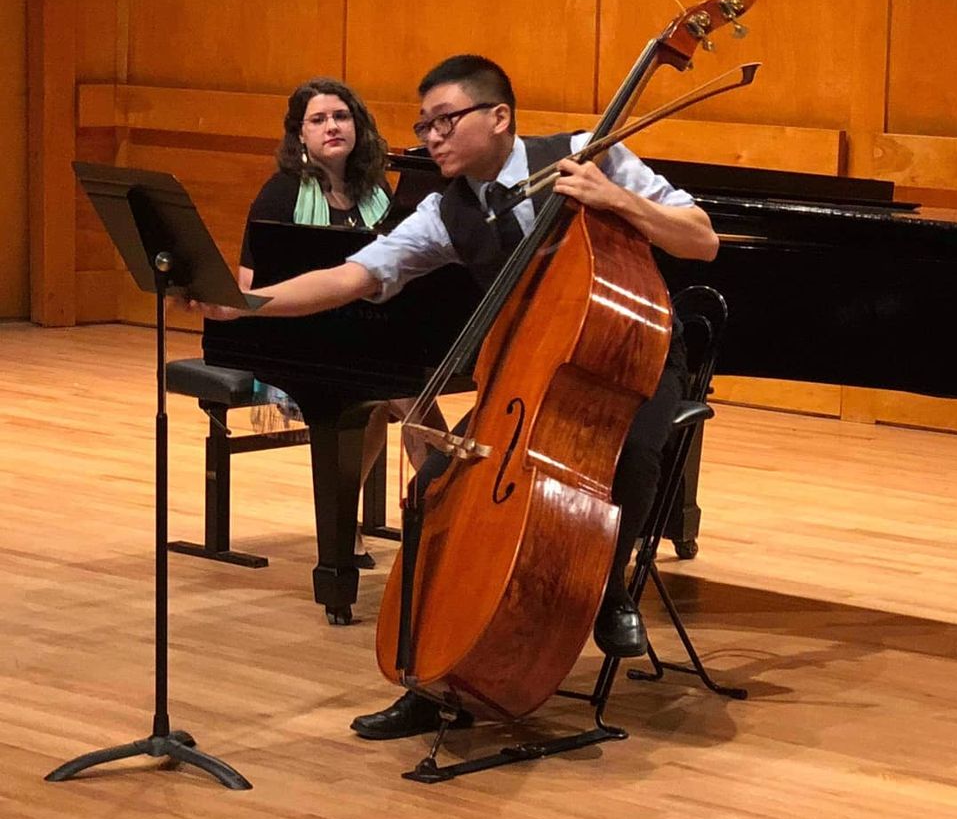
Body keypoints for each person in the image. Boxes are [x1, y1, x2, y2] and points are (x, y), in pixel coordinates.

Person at [196, 54, 719, 739]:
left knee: (631, 455)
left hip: (626, 356)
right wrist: (245, 304)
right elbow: (354, 275)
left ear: (498, 117)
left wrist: (616, 198)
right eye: (425, 125)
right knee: (439, 491)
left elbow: (702, 238)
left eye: (446, 121)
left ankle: (609, 585)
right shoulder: (447, 211)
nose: (431, 137)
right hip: (530, 370)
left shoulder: (588, 156)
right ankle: (432, 674)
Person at [236, 77, 442, 568]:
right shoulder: (280, 194)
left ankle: (348, 520)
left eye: (341, 116)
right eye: (319, 119)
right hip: (292, 338)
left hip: (362, 337)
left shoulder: (376, 191)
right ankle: (446, 503)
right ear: (299, 136)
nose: (332, 126)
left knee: (378, 395)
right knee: (406, 388)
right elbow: (248, 287)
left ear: (358, 126)